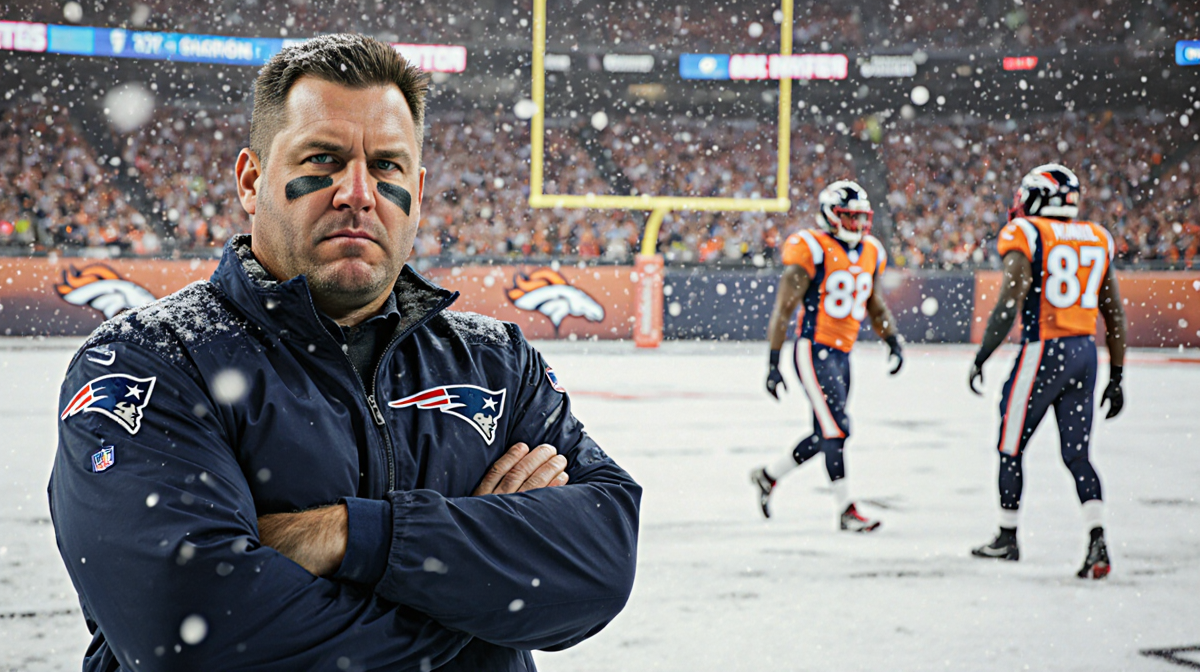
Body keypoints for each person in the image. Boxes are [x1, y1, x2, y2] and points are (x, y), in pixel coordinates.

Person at [48, 34, 640, 671]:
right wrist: (474, 597)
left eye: (385, 166)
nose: (358, 192)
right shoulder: (149, 362)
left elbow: (602, 558)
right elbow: (187, 630)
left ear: (417, 187)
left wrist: (352, 535)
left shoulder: (495, 363)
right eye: (324, 158)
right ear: (252, 181)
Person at [968, 163, 1126, 579]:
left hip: (1044, 349)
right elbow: (1113, 312)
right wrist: (1118, 373)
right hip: (1085, 352)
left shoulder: (1028, 232)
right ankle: (1097, 539)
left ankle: (1007, 536)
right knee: (1078, 455)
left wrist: (984, 352)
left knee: (1010, 444)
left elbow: (1010, 299)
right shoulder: (1097, 236)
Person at [751, 180, 903, 531]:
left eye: (860, 218)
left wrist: (892, 338)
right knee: (836, 429)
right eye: (848, 217)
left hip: (843, 353)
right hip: (813, 348)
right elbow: (783, 311)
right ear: (830, 216)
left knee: (827, 432)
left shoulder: (870, 251)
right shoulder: (811, 248)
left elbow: (874, 303)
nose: (856, 225)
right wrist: (773, 363)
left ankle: (769, 476)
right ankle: (846, 510)